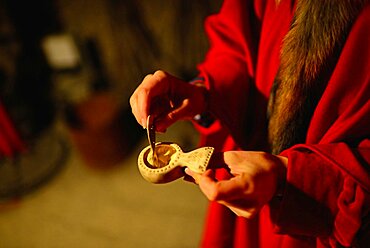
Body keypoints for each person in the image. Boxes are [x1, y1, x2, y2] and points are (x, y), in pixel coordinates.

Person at [130, 0, 370, 247]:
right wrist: (205, 93)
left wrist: (291, 177)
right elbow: (237, 40)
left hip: (326, 210)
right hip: (249, 172)